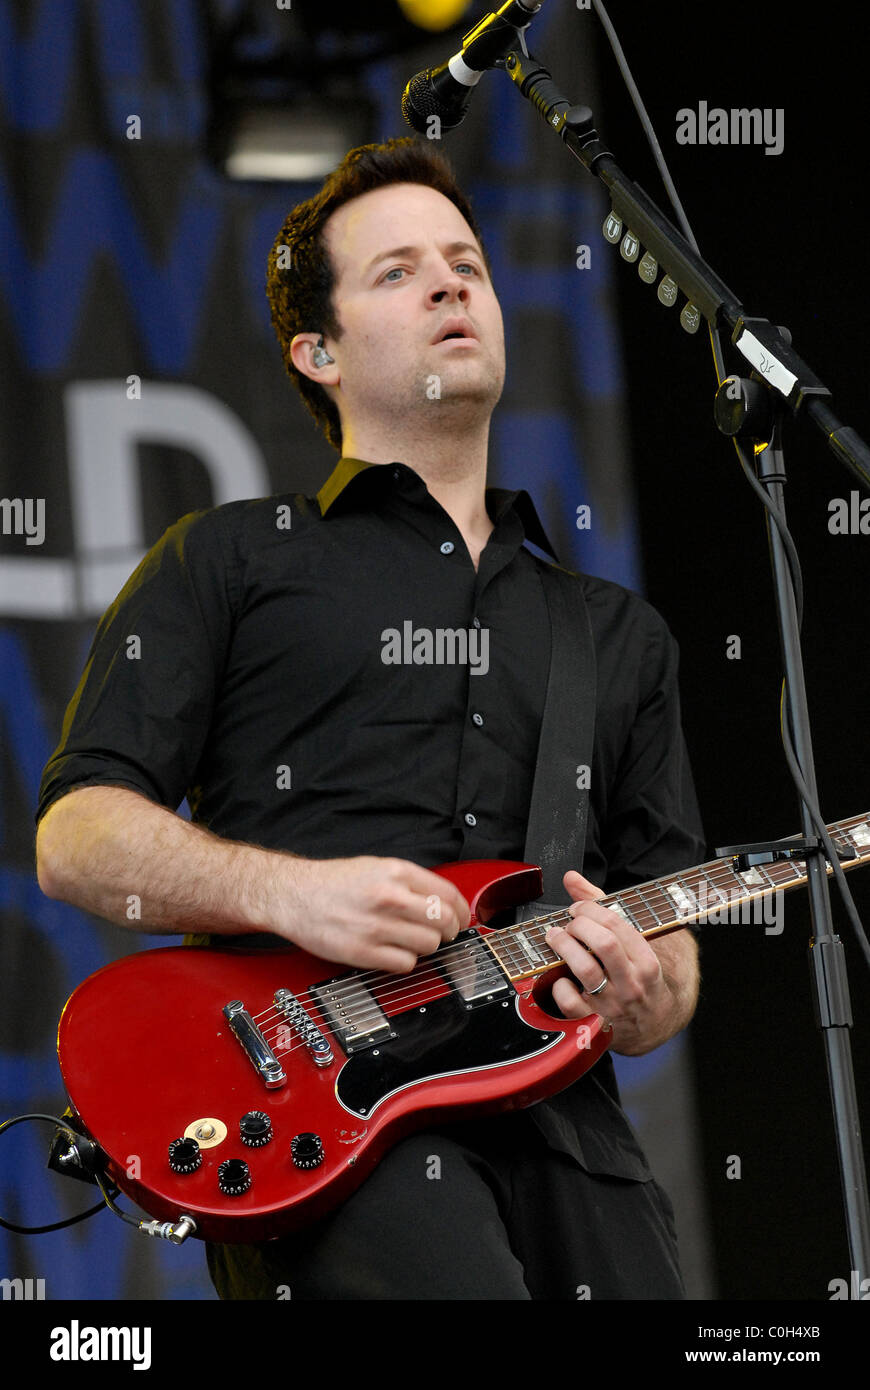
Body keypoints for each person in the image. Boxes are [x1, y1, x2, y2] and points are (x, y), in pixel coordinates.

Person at [35, 137, 705, 1300]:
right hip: (323, 1128)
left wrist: (647, 993)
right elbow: (76, 838)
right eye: (398, 272)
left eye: (467, 263)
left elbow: (671, 919)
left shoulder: (614, 633)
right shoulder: (230, 559)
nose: (452, 283)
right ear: (319, 351)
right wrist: (289, 891)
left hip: (575, 1145)